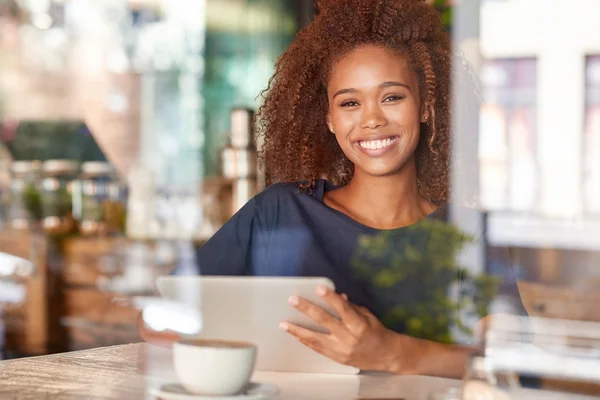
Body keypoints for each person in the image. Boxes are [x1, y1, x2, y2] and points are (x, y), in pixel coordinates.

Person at [140, 0, 526, 378]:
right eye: (349, 103)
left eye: (391, 97)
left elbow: (510, 361)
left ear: (426, 106)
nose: (371, 120)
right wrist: (267, 343)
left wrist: (393, 353)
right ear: (328, 118)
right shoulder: (279, 214)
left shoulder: (469, 231)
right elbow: (156, 319)